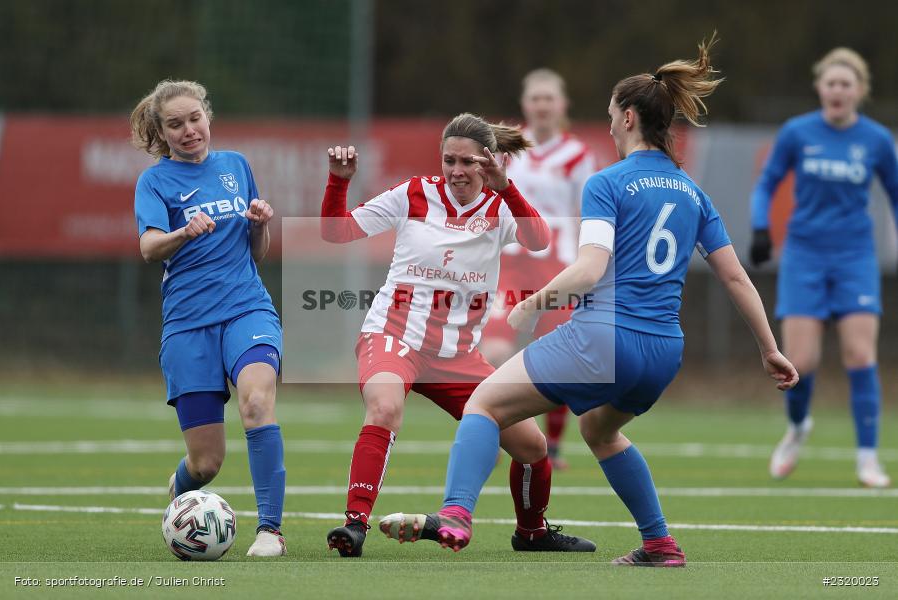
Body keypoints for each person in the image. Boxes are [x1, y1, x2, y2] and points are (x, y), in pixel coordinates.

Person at [378, 35, 799, 566]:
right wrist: (769, 348)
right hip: (664, 350)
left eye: (609, 115)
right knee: (599, 430)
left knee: (483, 402)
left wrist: (533, 305)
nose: (606, 125)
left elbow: (590, 268)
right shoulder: (694, 192)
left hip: (605, 338)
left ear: (627, 118)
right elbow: (736, 277)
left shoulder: (608, 182)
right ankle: (659, 543)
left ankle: (457, 515)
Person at [319, 113, 596, 557]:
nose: (456, 171)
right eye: (449, 160)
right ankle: (355, 525)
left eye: (467, 162)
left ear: (490, 163)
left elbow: (539, 239)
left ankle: (532, 533)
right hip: (395, 335)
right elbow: (336, 233)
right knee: (385, 407)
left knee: (532, 446)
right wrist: (338, 181)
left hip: (458, 355)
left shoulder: (498, 205)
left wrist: (507, 186)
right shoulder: (413, 193)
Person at [131, 80, 287, 557]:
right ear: (162, 131)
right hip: (187, 325)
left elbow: (255, 253)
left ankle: (269, 532)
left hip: (247, 309)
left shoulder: (236, 166)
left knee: (257, 404)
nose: (189, 130)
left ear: (208, 116)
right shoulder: (154, 181)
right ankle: (180, 500)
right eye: (175, 124)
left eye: (194, 118)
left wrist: (260, 224)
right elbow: (148, 246)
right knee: (205, 464)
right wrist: (181, 232)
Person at [750, 48, 898, 488]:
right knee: (802, 362)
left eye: (845, 84)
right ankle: (798, 428)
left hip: (854, 257)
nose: (837, 91)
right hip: (804, 255)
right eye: (830, 83)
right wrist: (761, 228)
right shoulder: (797, 132)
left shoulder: (875, 139)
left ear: (858, 92)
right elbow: (767, 183)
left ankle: (868, 458)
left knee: (860, 355)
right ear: (820, 88)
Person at [480, 69, 596, 470]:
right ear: (525, 103)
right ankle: (490, 430)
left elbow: (586, 213)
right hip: (511, 263)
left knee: (562, 354)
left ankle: (555, 445)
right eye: (536, 98)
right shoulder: (507, 148)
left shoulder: (578, 155)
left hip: (557, 266)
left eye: (550, 98)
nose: (543, 105)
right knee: (494, 348)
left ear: (562, 105)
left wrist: (587, 263)